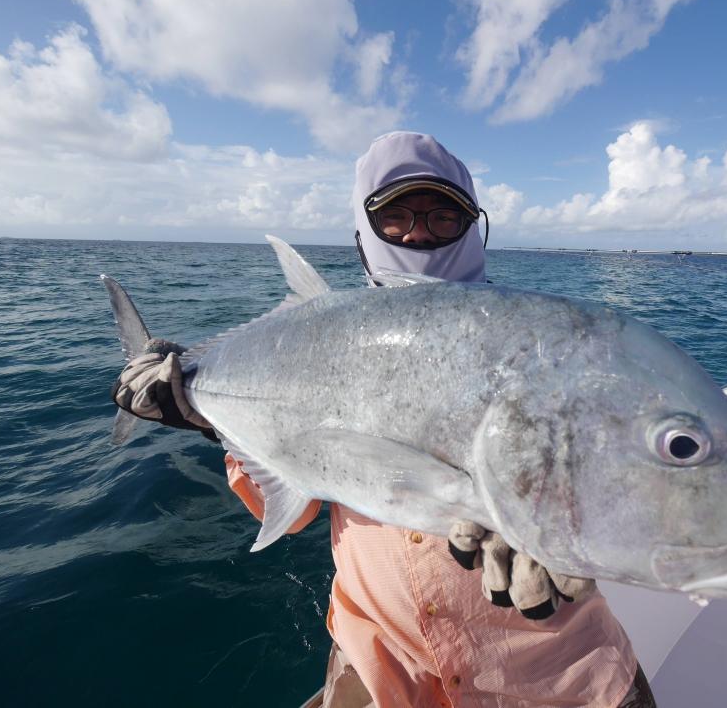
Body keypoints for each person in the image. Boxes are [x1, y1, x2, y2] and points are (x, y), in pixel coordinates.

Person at [112, 131, 654, 707]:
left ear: (476, 225)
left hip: (553, 679)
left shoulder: (538, 354)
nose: (419, 232)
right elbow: (295, 513)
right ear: (361, 232)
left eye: (444, 216)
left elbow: (624, 495)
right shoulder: (310, 339)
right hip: (379, 672)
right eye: (394, 217)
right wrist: (206, 417)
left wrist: (554, 529)